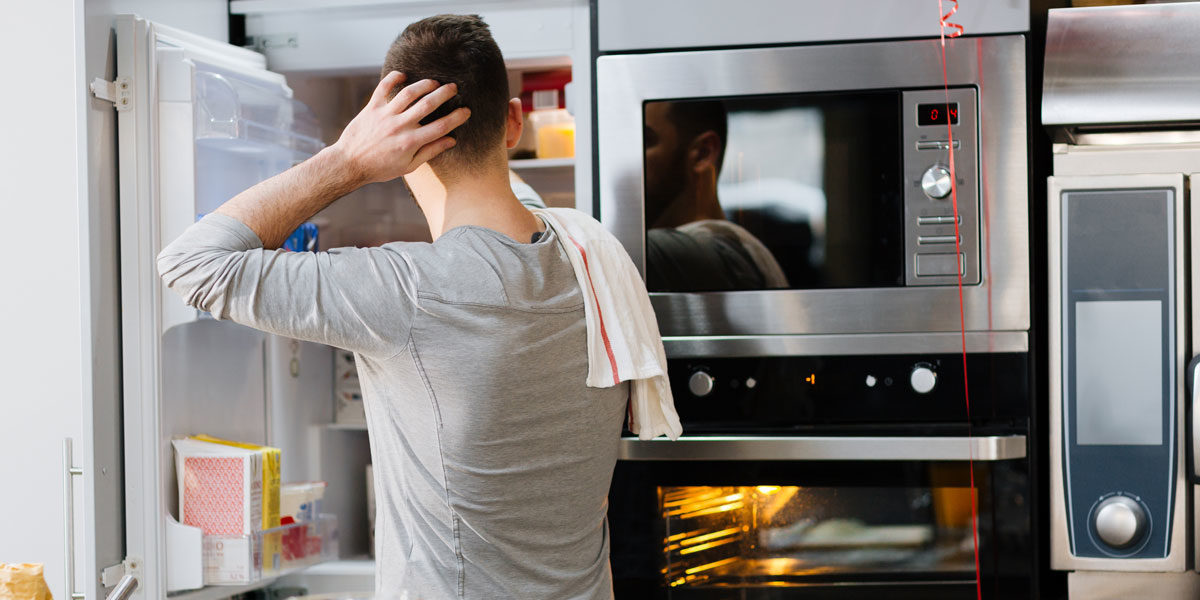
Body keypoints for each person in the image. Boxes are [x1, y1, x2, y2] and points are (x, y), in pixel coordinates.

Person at [158, 14, 678, 600]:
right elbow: (510, 203)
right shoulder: (590, 257)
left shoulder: (405, 290)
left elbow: (191, 263)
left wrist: (347, 161)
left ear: (393, 140)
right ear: (513, 121)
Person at [642, 100, 789, 292]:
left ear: (703, 153)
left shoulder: (719, 254)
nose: (625, 161)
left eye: (645, 141)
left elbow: (598, 250)